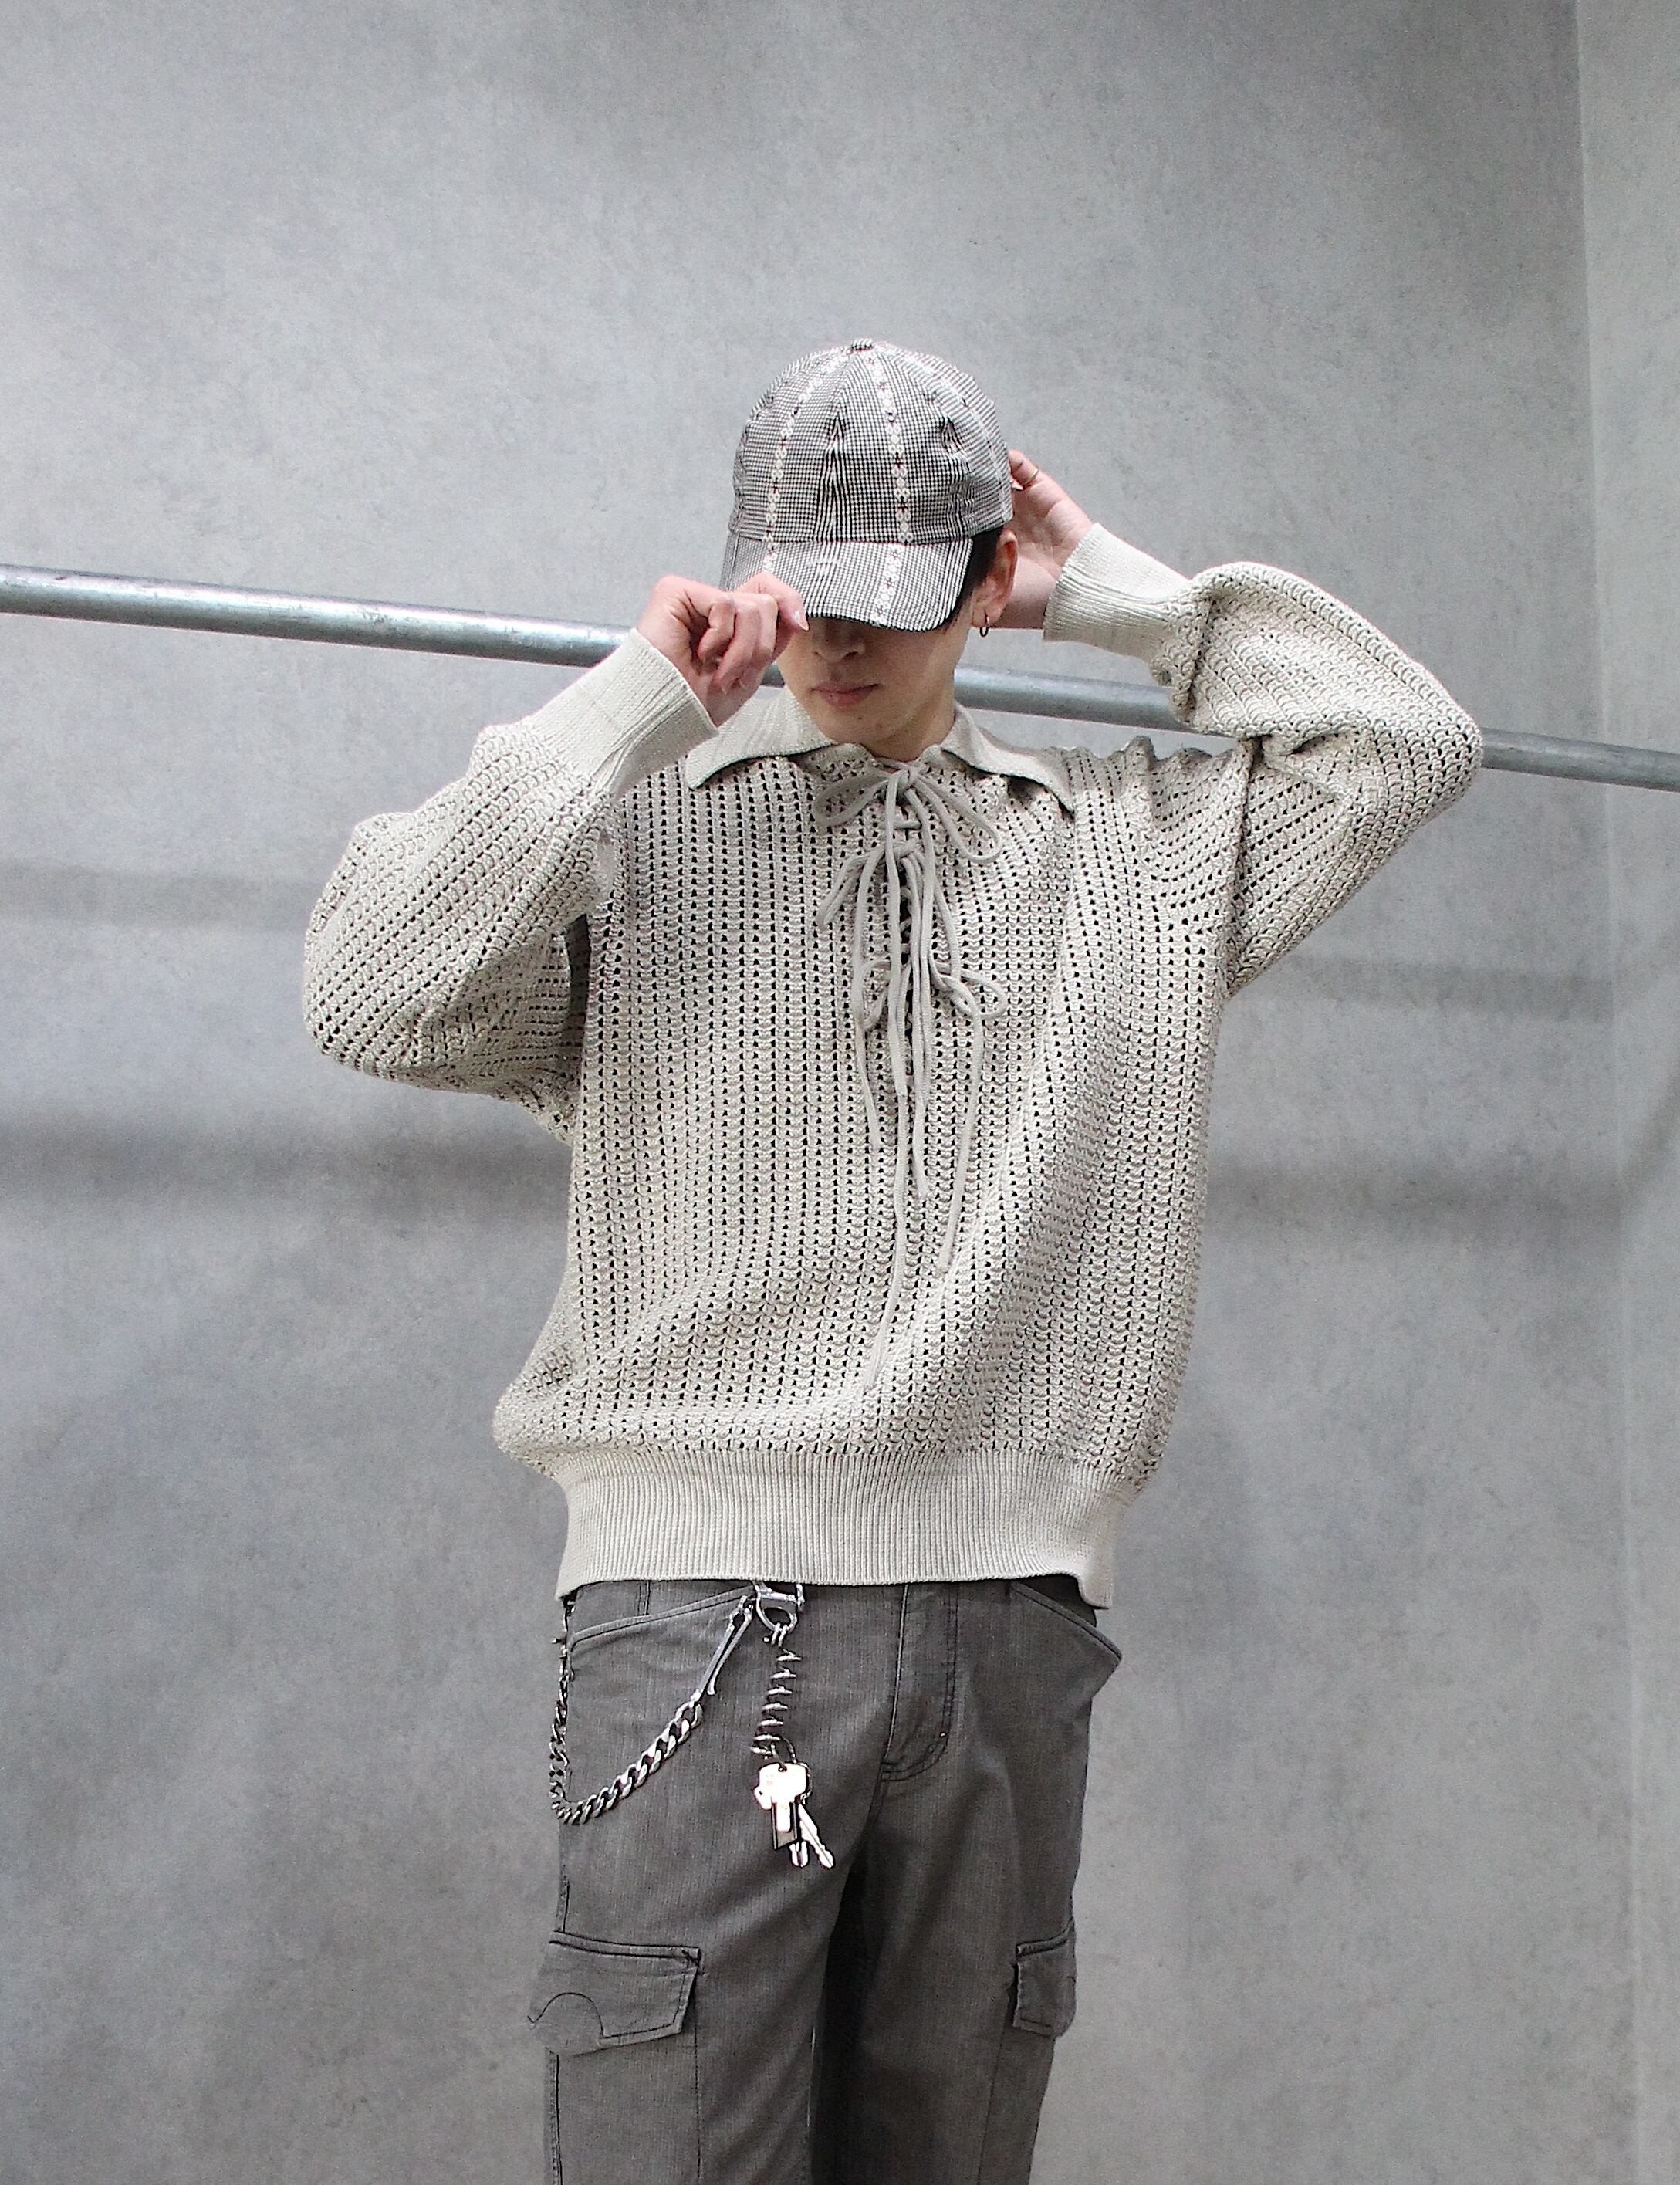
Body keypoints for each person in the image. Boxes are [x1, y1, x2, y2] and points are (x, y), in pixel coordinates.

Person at [301, 338, 1481, 2183]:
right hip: (698, 1628)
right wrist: (628, 711)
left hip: (1009, 1626)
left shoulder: (1132, 855)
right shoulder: (635, 843)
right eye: (812, 592)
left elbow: (1409, 742)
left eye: (900, 593)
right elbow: (371, 989)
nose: (844, 639)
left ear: (983, 583)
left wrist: (1130, 603)